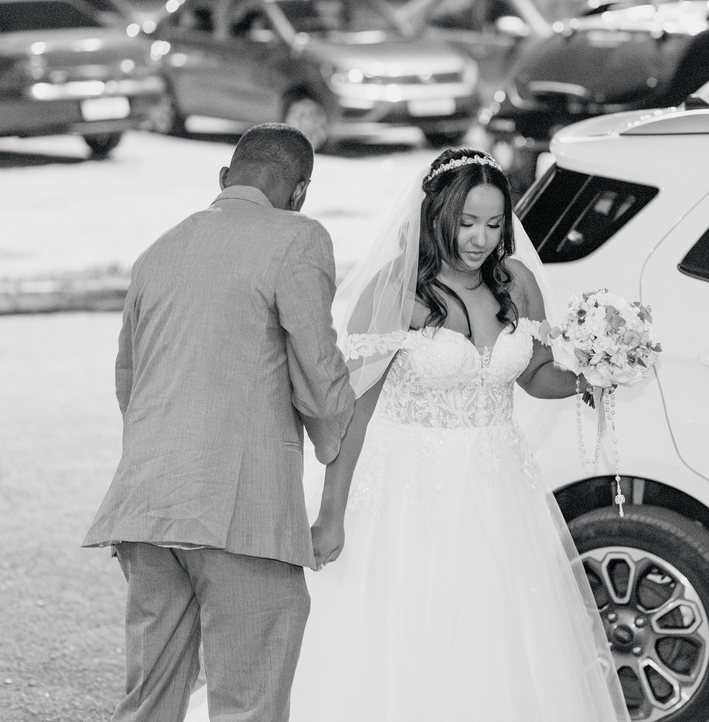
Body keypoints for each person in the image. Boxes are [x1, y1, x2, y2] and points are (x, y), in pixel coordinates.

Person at [184, 147, 629, 722]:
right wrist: (332, 514)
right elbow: (355, 411)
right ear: (436, 214)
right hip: (407, 486)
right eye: (466, 223)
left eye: (494, 225)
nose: (480, 239)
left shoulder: (516, 283)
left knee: (493, 633)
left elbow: (538, 374)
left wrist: (595, 375)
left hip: (498, 486)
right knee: (406, 630)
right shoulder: (398, 292)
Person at [83, 123, 356, 722]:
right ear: (300, 191)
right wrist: (342, 439)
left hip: (147, 506)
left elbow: (129, 382)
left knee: (148, 702)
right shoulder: (298, 237)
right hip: (241, 514)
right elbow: (317, 370)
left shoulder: (158, 250)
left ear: (225, 177)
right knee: (248, 704)